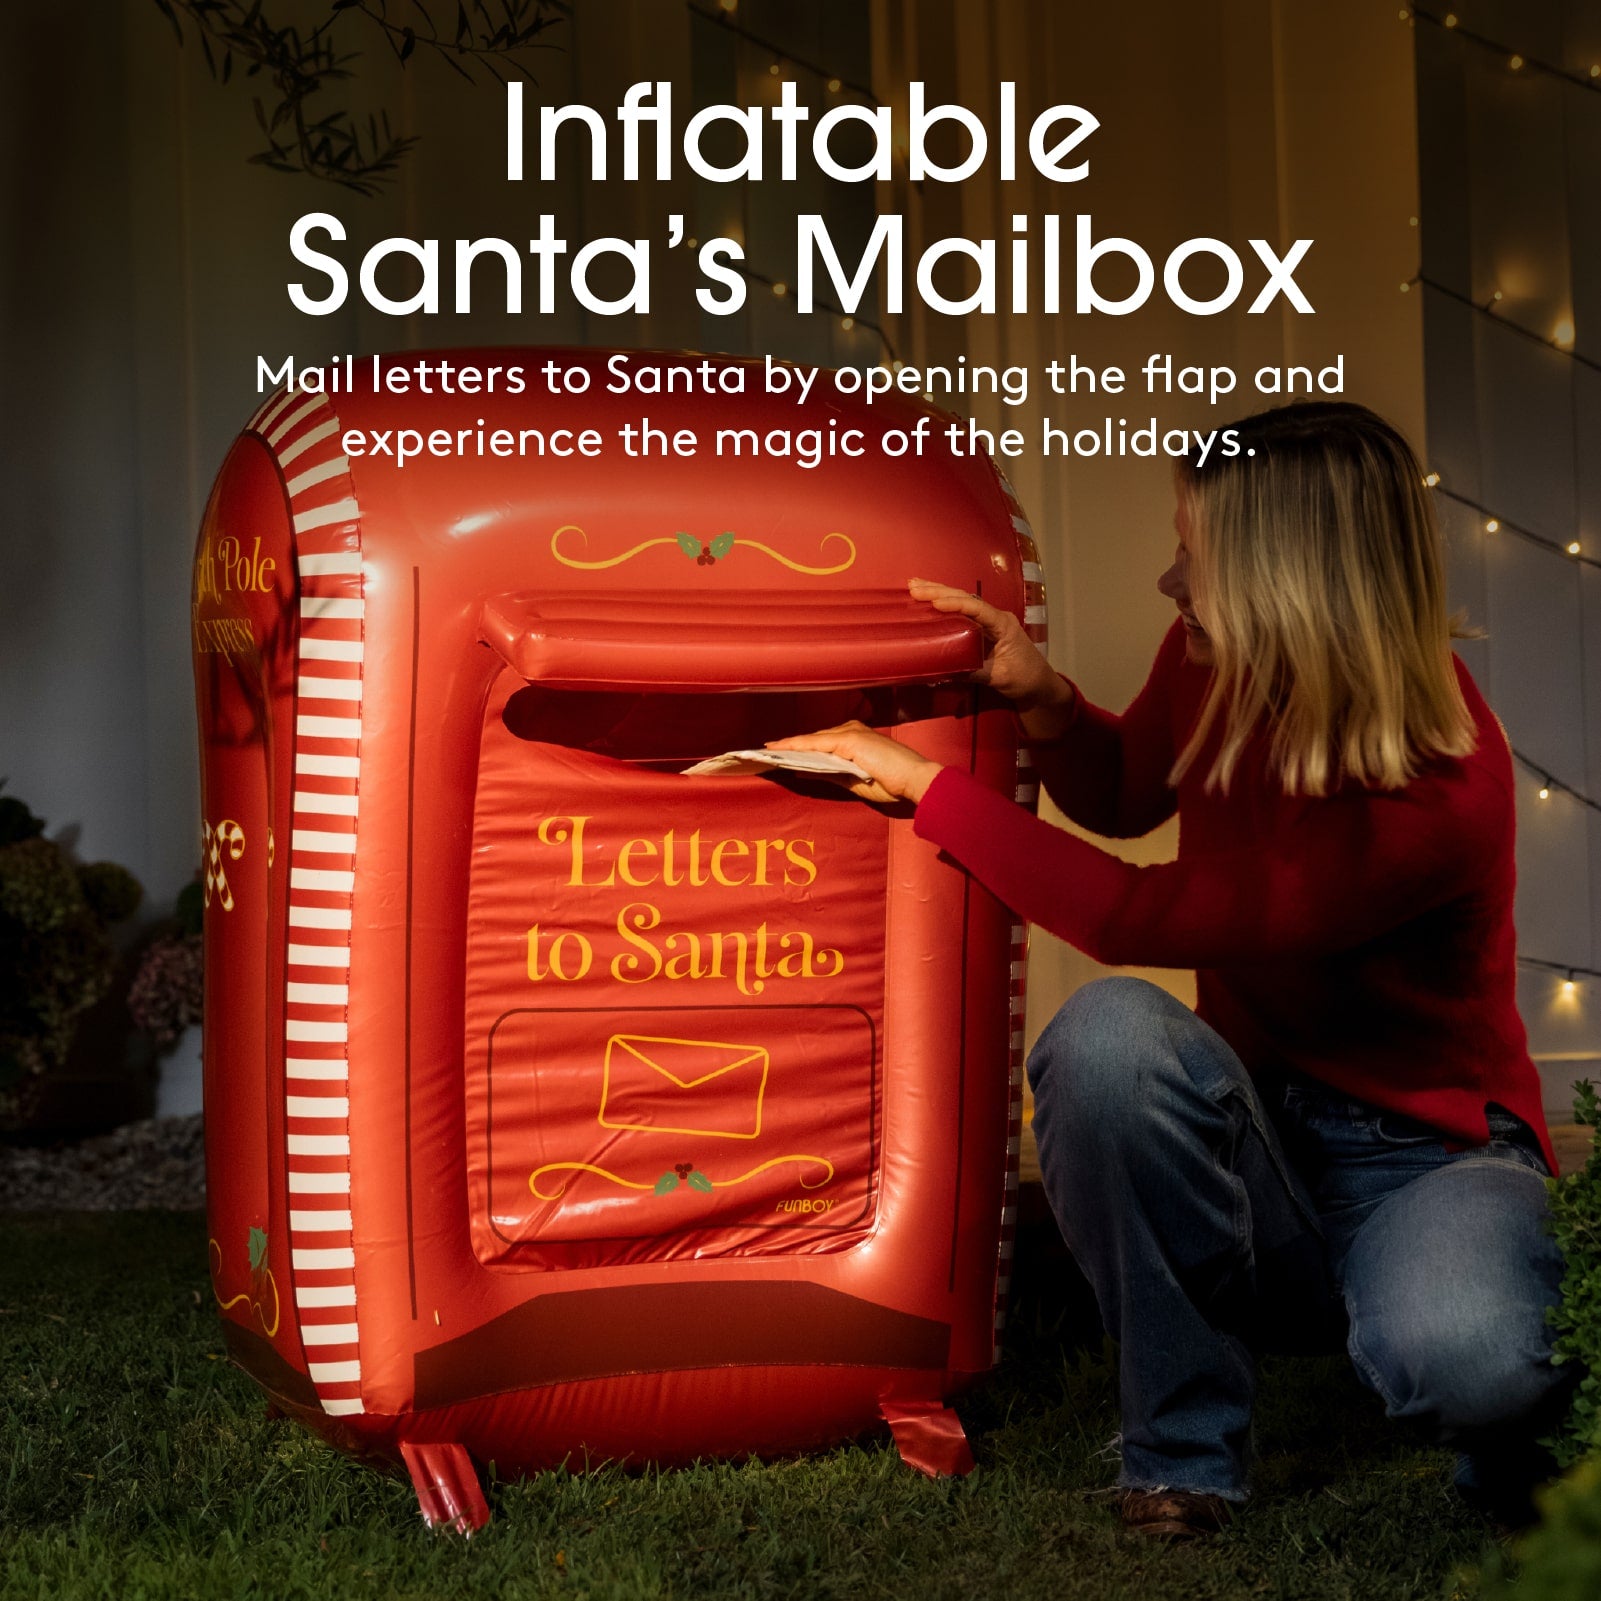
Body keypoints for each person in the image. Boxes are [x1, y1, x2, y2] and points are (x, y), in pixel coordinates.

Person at [767, 401, 1572, 1540]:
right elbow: (1125, 793)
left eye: (1193, 560)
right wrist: (1041, 695)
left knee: (1477, 1361)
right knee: (1106, 1041)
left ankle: (1476, 1384)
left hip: (1425, 1160)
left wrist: (919, 787)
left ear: (1292, 582)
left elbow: (1132, 908)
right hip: (1252, 1137)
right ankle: (1181, 1458)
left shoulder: (1437, 787)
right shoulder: (1214, 662)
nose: (1166, 582)